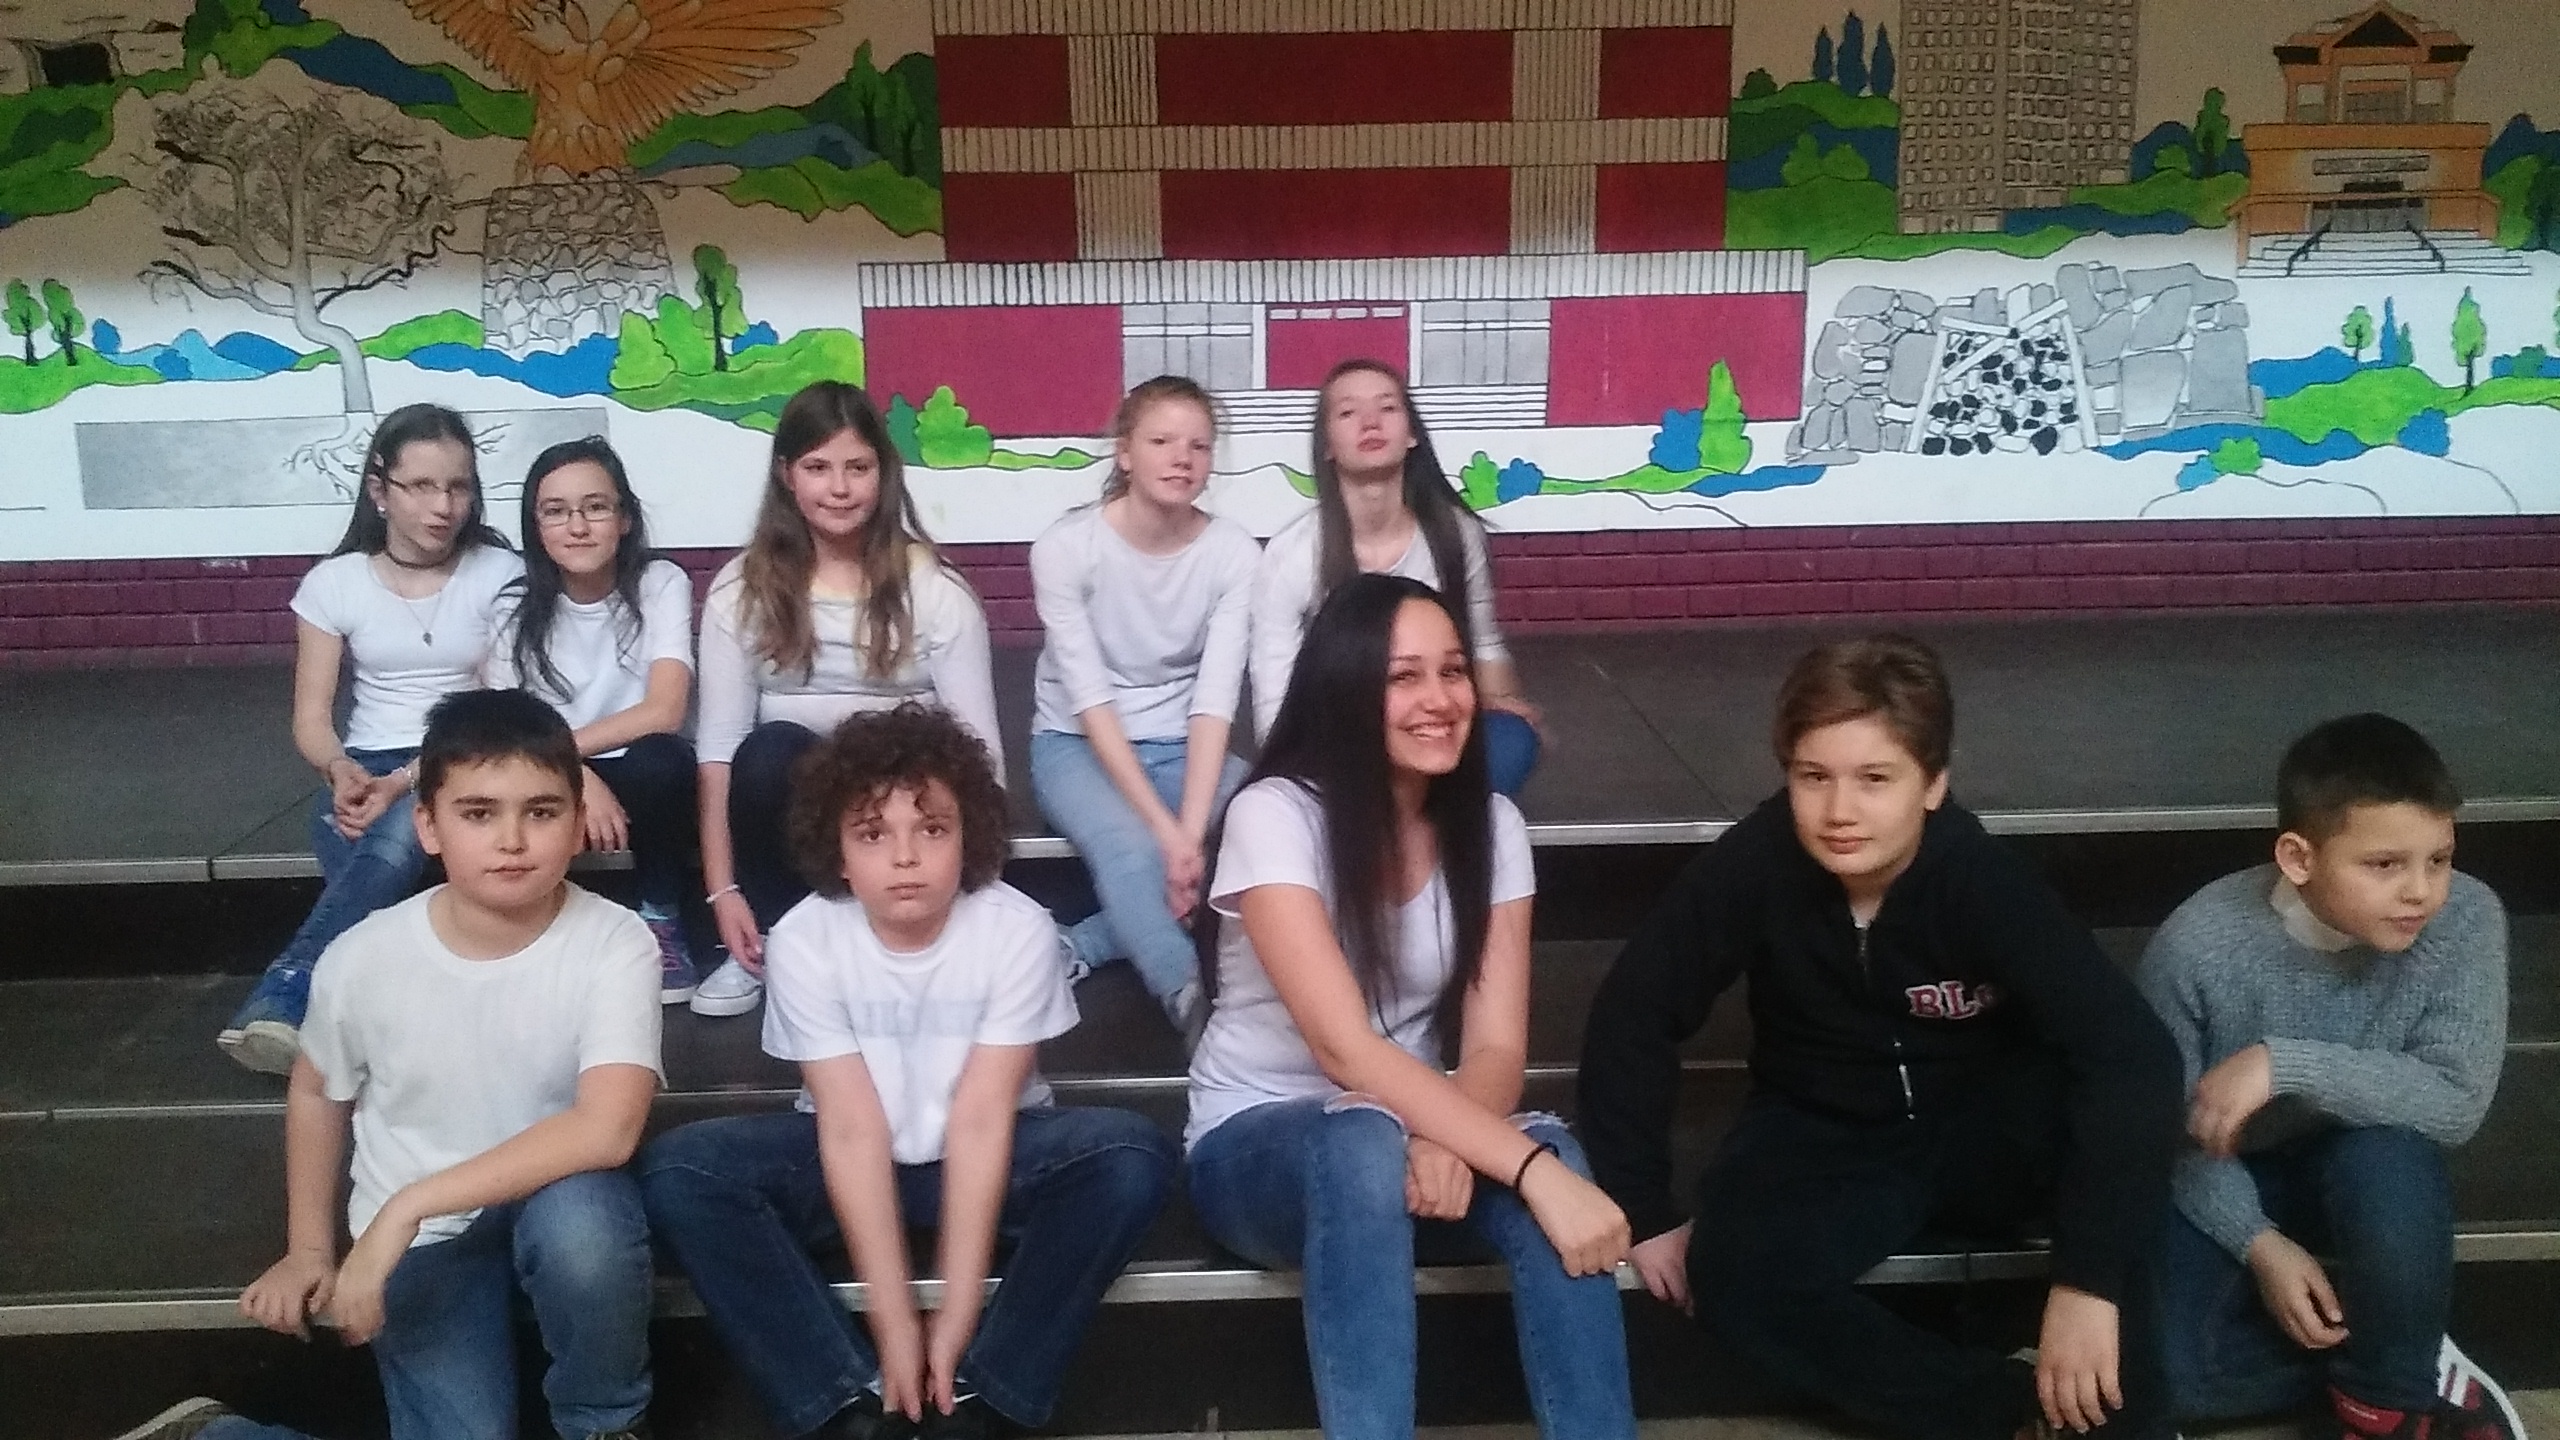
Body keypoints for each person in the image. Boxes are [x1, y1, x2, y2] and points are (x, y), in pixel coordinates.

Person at [1578, 635, 2184, 1440]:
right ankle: (2006, 1413)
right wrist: (1644, 1207)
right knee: (1732, 1273)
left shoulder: (1980, 879)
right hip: (1824, 1126)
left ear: (1932, 784)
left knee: (2115, 1173)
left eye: (1875, 779)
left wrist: (2087, 1282)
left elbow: (2131, 1056)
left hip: (1988, 1123)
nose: (1840, 811)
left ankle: (2123, 1413)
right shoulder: (1758, 863)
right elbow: (1633, 1011)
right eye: (1813, 777)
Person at [642, 704, 1176, 1440]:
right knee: (683, 1170)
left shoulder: (1018, 929)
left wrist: (953, 1317)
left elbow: (982, 1118)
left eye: (932, 830)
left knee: (1130, 1156)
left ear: (968, 837)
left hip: (993, 1155)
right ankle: (845, 1404)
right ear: (837, 853)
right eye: (872, 834)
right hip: (847, 1160)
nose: (905, 857)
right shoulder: (804, 939)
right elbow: (850, 1127)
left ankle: (983, 1397)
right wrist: (895, 1326)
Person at [1188, 573, 1636, 1440]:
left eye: (1454, 671)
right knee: (1375, 1138)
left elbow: (1496, 1048)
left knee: (1553, 1150)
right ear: (1346, 690)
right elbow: (1346, 1052)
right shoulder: (1273, 815)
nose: (1440, 699)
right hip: (1255, 1150)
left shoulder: (1492, 827)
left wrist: (1446, 1139)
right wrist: (1520, 1167)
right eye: (1404, 677)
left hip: (1412, 1136)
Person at [203, 689, 662, 1440]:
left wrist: (405, 1208)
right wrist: (310, 1249)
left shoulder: (615, 942)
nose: (511, 839)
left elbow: (606, 1130)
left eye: (541, 812)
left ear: (580, 822)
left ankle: (603, 1425)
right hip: (425, 1245)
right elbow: (317, 1091)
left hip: (549, 1205)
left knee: (585, 1225)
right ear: (427, 827)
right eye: (478, 813)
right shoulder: (363, 955)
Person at [2140, 713, 2520, 1440]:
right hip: (2233, 1172)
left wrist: (2284, 1063)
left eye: (2439, 859)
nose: (2421, 892)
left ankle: (2389, 1396)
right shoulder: (2198, 945)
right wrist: (2261, 1246)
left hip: (2372, 1170)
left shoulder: (2468, 919)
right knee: (2174, 1382)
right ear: (2298, 858)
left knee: (2389, 1156)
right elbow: (2175, 1137)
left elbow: (2456, 1099)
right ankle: (2403, 1351)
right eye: (2384, 865)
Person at [219, 404, 522, 1075]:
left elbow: (493, 706)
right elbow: (311, 718)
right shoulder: (335, 583)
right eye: (423, 487)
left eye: (459, 486)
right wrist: (340, 770)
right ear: (380, 490)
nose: (444, 506)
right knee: (352, 833)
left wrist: (405, 781)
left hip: (466, 755)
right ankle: (393, 1027)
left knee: (398, 833)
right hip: (367, 766)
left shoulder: (499, 572)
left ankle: (286, 994)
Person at [694, 381, 1001, 1020]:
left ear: (882, 474)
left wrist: (981, 893)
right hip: (787, 803)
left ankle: (890, 951)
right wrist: (723, 892)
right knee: (767, 752)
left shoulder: (936, 590)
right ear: (787, 475)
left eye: (858, 468)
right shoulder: (739, 591)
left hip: (899, 801)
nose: (839, 488)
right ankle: (776, 950)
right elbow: (719, 753)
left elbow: (979, 756)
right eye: (818, 468)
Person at [1029, 376, 1259, 1039]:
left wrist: (1191, 827)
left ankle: (1084, 943)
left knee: (1268, 819)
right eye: (1161, 442)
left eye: (1199, 446)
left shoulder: (1234, 553)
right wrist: (1171, 834)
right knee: (1132, 848)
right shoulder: (1065, 549)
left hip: (1184, 744)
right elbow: (1090, 699)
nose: (1181, 458)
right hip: (1076, 743)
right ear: (1125, 453)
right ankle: (1190, 1000)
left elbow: (1215, 699)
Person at [1247, 360, 1542, 797]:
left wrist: (1505, 705)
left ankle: (1429, 828)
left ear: (1412, 435)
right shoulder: (1291, 556)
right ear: (1327, 447)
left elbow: (1482, 645)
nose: (1370, 422)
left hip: (1428, 724)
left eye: (1387, 408)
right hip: (1338, 735)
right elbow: (1275, 705)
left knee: (1512, 742)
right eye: (1348, 412)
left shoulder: (1456, 536)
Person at [487, 436, 702, 1003]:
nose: (577, 527)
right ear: (536, 527)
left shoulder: (660, 583)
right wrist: (575, 773)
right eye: (556, 512)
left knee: (663, 760)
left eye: (595, 507)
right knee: (509, 782)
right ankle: (535, 931)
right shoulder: (512, 605)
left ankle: (660, 917)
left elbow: (665, 710)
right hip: (549, 768)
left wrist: (566, 753)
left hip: (636, 764)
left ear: (625, 519)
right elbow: (509, 727)